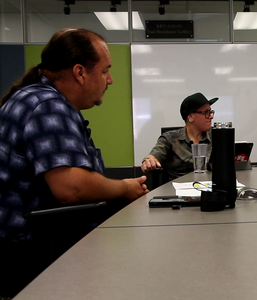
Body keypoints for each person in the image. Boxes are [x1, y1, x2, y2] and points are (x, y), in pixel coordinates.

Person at [0, 28, 149, 297]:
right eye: (105, 71)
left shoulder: (35, 98)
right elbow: (72, 188)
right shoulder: (47, 106)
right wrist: (125, 188)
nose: (111, 79)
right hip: (33, 253)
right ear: (80, 72)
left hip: (35, 247)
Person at [141, 92, 218, 180]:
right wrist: (149, 161)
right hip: (178, 189)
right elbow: (154, 155)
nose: (211, 116)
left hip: (210, 188)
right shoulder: (170, 138)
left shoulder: (218, 137)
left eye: (211, 112)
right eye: (205, 112)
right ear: (190, 116)